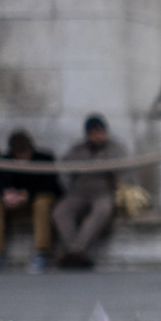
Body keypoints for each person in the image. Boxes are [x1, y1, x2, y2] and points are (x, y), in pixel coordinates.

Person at [52, 115, 125, 269]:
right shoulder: (77, 149)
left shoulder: (115, 148)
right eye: (95, 133)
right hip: (79, 191)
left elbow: (122, 173)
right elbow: (66, 171)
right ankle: (77, 252)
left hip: (103, 191)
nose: (100, 136)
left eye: (102, 132)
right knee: (61, 212)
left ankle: (74, 251)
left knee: (102, 209)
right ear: (88, 134)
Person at [0, 130, 59, 272]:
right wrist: (6, 193)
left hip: (35, 199)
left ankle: (41, 252)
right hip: (13, 202)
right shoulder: (5, 160)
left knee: (42, 202)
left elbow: (51, 185)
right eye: (18, 155)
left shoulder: (44, 158)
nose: (22, 158)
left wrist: (27, 194)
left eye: (25, 154)